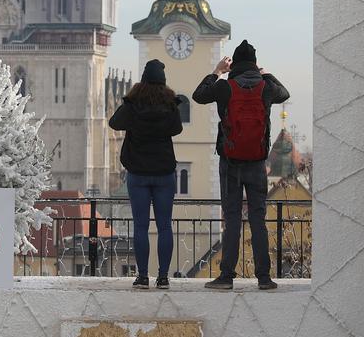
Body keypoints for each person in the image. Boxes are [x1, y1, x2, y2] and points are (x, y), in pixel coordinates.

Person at [193, 40, 290, 290]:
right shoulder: (265, 87)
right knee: (258, 219)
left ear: (233, 64)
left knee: (233, 218)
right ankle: (264, 277)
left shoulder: (225, 87)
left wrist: (216, 72)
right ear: (255, 64)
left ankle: (226, 276)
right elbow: (285, 93)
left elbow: (198, 95)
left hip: (230, 162)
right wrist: (265, 73)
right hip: (257, 163)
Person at [108, 59, 183, 290]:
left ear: (143, 80)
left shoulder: (133, 104)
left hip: (138, 173)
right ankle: (163, 277)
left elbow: (114, 122)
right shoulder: (170, 103)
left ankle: (142, 276)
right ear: (163, 81)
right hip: (163, 173)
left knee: (140, 226)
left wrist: (129, 104)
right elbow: (176, 129)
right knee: (164, 226)